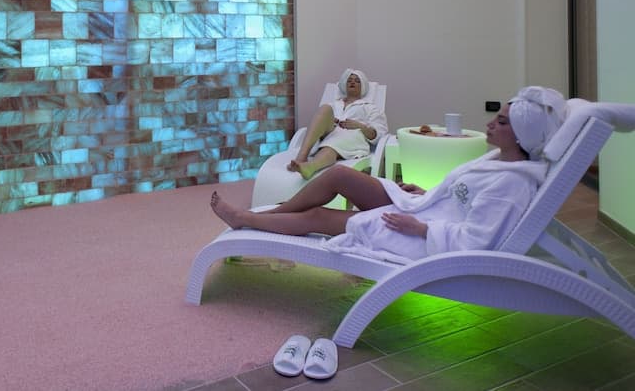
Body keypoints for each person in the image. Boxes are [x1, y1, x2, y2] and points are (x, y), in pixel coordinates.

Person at [213, 86, 567, 263]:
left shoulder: (511, 184)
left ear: (522, 134)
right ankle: (277, 211)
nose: (490, 123)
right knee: (340, 178)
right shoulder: (496, 160)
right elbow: (461, 199)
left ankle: (248, 219)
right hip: (422, 208)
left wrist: (422, 227)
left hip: (419, 234)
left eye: (501, 122)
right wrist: (426, 193)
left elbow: (475, 242)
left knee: (318, 217)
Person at [287, 69, 388, 180]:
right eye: (349, 80)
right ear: (344, 85)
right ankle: (301, 157)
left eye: (357, 81)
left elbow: (378, 133)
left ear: (363, 86)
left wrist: (359, 126)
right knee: (325, 109)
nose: (352, 82)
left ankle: (311, 166)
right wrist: (331, 120)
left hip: (352, 136)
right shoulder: (334, 104)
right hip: (330, 132)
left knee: (333, 143)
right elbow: (318, 123)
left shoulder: (370, 107)